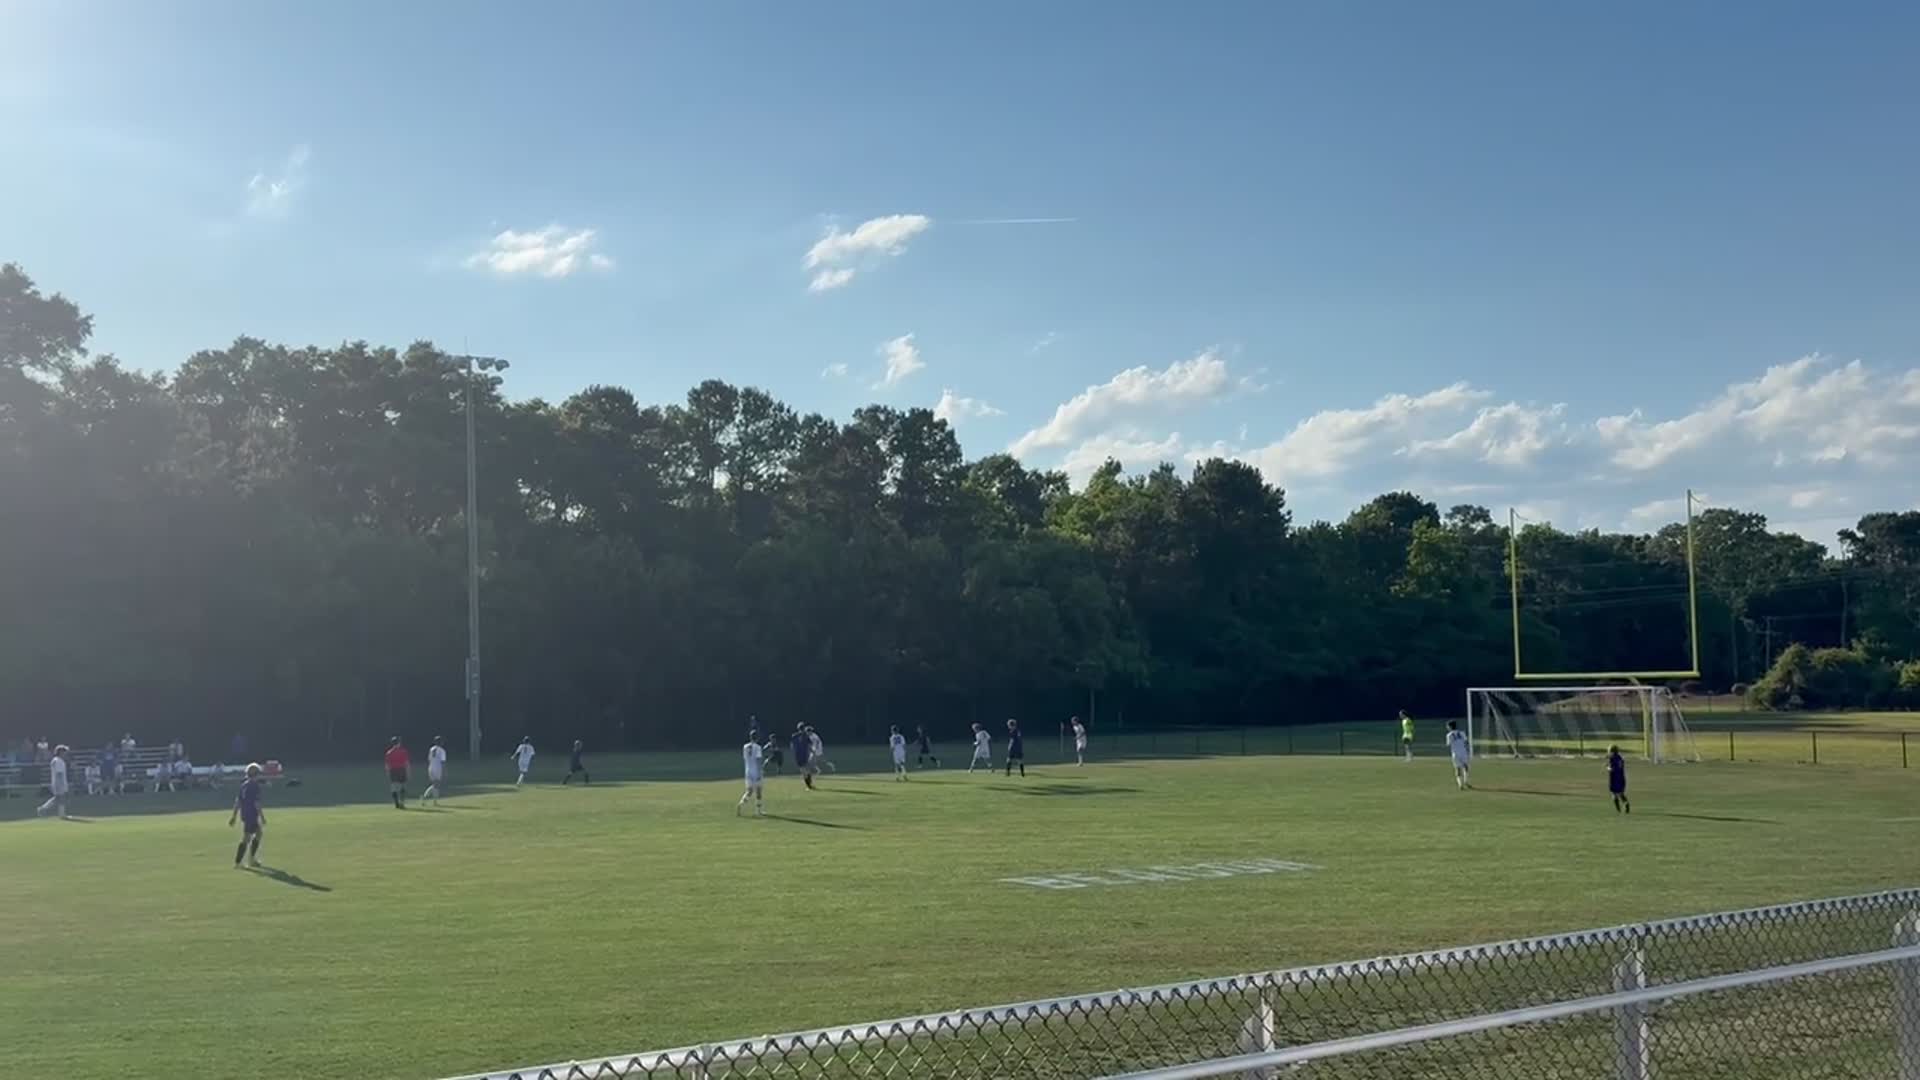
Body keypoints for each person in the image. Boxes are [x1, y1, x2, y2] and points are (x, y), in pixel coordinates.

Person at [229, 763, 266, 868]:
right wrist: (262, 817)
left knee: (258, 833)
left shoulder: (243, 785)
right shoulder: (254, 786)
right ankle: (240, 862)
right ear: (256, 774)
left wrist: (234, 816)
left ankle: (250, 859)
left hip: (245, 814)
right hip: (251, 814)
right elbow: (256, 803)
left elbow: (238, 802)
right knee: (247, 837)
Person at [35, 745, 70, 819]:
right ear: (61, 752)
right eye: (64, 752)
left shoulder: (55, 760)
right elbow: (59, 773)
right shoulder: (59, 761)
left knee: (57, 798)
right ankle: (61, 814)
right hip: (59, 782)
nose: (66, 754)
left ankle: (42, 809)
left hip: (56, 782)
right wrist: (61, 784)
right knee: (61, 798)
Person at [737, 735, 766, 817]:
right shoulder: (758, 747)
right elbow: (758, 760)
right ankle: (759, 811)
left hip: (748, 771)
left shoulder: (745, 747)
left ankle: (741, 804)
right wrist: (760, 771)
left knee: (749, 791)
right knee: (758, 791)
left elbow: (745, 759)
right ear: (757, 738)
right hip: (756, 771)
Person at [384, 736, 410, 809]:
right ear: (399, 743)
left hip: (393, 770)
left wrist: (388, 773)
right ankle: (402, 802)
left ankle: (396, 803)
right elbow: (406, 763)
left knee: (394, 787)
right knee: (402, 786)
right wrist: (408, 772)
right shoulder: (403, 751)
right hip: (401, 770)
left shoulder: (389, 753)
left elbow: (387, 765)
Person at [1445, 721, 1472, 790]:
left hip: (1455, 754)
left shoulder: (1449, 735)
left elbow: (1448, 744)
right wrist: (1466, 749)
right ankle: (1466, 781)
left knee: (1457, 769)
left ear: (1450, 727)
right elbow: (1466, 742)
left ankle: (1460, 785)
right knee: (1465, 767)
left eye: (1448, 726)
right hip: (1463, 752)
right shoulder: (1462, 733)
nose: (1447, 727)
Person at [421, 735, 448, 804]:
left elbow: (429, 759)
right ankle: (428, 798)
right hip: (438, 768)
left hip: (431, 767)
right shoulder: (442, 750)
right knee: (436, 785)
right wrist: (444, 771)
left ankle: (431, 800)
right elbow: (443, 762)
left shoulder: (431, 749)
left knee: (434, 784)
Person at [790, 724, 815, 790]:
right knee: (807, 770)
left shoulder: (794, 736)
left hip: (798, 756)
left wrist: (795, 752)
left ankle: (808, 786)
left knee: (804, 771)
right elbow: (810, 744)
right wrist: (812, 751)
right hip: (804, 755)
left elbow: (791, 746)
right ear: (803, 729)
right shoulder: (806, 736)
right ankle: (809, 785)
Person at [1607, 745, 1631, 814]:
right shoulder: (1620, 758)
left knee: (1613, 793)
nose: (1609, 752)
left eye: (1609, 751)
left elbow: (1612, 769)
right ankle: (1626, 803)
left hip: (1614, 779)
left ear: (1612, 752)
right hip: (1621, 778)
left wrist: (1607, 767)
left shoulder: (1612, 759)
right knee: (1621, 793)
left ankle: (1618, 809)